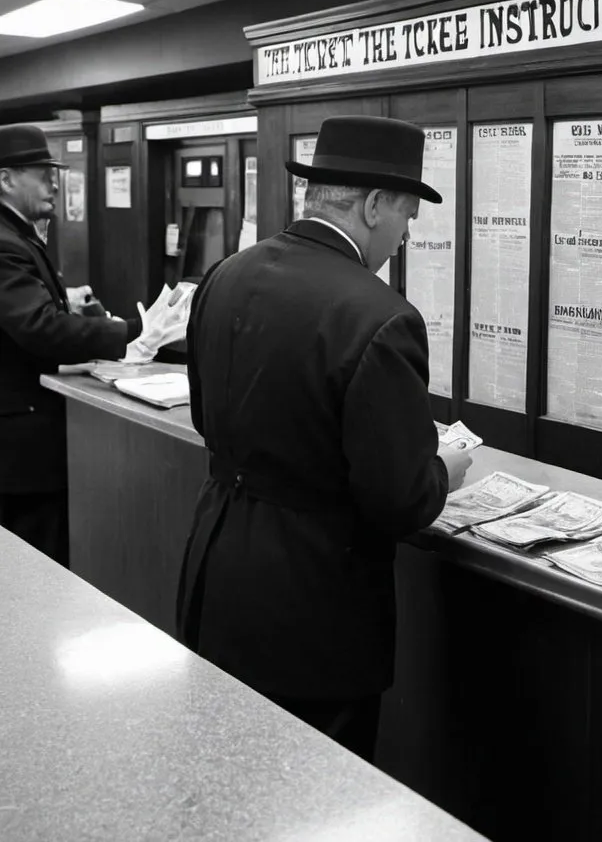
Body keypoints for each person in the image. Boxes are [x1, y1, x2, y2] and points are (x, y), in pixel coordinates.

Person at [177, 115, 472, 762]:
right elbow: (398, 500)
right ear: (372, 205)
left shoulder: (225, 275)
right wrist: (444, 467)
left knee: (230, 770)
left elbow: (206, 416)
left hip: (216, 571)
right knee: (315, 796)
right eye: (405, 216)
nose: (404, 235)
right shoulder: (380, 315)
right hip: (314, 608)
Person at [0, 124, 177, 565]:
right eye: (42, 173)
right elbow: (39, 327)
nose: (55, 182)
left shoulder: (18, 235)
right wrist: (133, 332)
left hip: (26, 444)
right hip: (21, 448)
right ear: (5, 179)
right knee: (35, 564)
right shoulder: (5, 244)